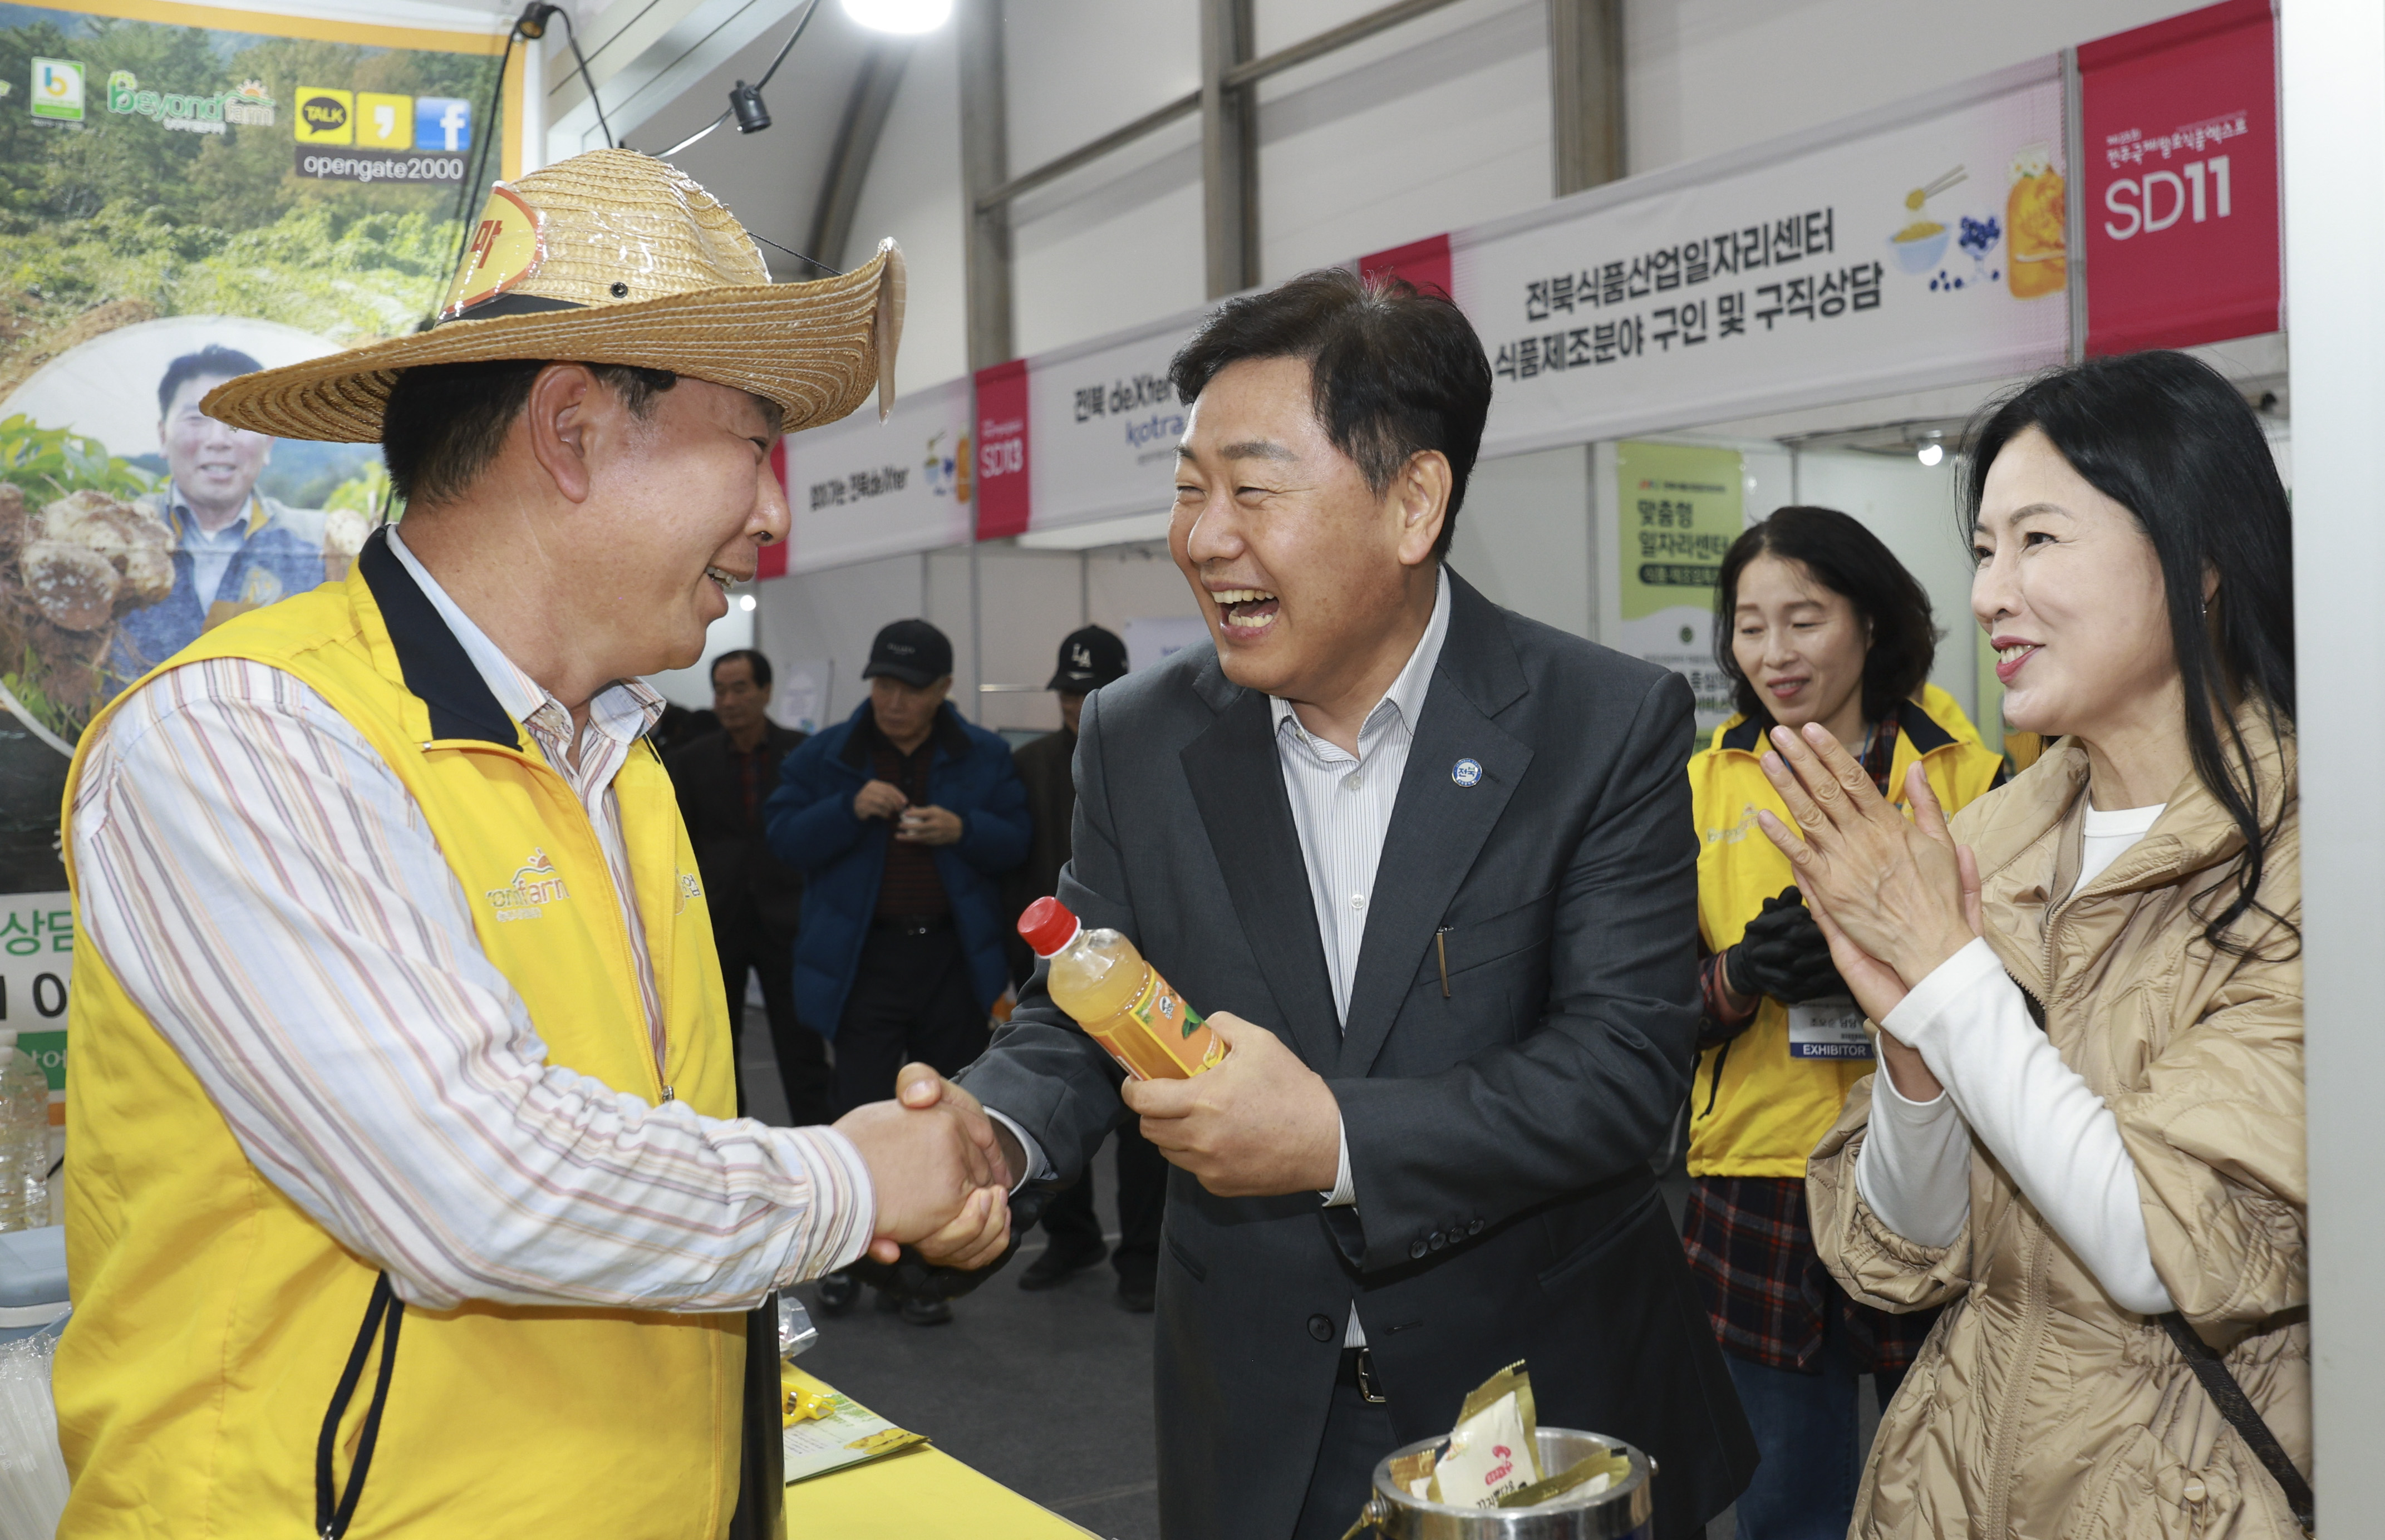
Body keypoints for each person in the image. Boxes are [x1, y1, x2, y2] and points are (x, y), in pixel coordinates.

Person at [52, 150, 1012, 1539]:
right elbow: (474, 1183)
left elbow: (632, 1141)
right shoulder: (249, 735)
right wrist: (857, 1176)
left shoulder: (615, 756)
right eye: (752, 443)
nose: (773, 513)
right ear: (572, 432)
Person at [899, 269, 1756, 1539]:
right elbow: (1087, 1004)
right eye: (1187, 489)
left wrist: (1334, 1138)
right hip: (1257, 1420)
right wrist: (992, 1136)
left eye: (1252, 491)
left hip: (1536, 1400)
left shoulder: (1598, 723)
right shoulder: (1140, 737)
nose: (1203, 539)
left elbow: (1620, 1069)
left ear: (1413, 502)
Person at [1762, 352, 2304, 1535]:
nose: (1989, 595)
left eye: (2039, 541)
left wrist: (1948, 976)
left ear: (2199, 557)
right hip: (1953, 1484)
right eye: (1984, 550)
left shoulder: (2312, 860)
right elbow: (1906, 1248)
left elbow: (2165, 1247)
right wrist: (1912, 1057)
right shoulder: (1989, 840)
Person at [1684, 506, 2004, 1540]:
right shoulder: (1696, 787)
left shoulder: (1968, 777)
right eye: (1749, 626)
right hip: (1761, 1183)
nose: (1773, 652)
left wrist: (1907, 964)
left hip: (1937, 1171)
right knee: (1786, 1504)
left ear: (1869, 621)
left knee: (1954, 1489)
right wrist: (1741, 973)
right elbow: (1643, 1011)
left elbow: (2029, 996)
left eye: (1805, 618)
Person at [765, 619, 1029, 1325]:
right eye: (882, 684)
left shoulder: (982, 754)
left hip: (950, 959)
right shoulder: (829, 755)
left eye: (910, 688)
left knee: (946, 1112)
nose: (893, 700)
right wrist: (847, 808)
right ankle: (844, 1261)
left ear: (943, 689)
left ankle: (921, 1276)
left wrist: (962, 830)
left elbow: (1017, 840)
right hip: (864, 962)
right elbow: (783, 836)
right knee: (857, 1110)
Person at [1003, 624, 1167, 1312]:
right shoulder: (1029, 763)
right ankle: (1071, 1238)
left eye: (1088, 692)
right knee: (1053, 1099)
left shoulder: (1152, 757)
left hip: (1141, 964)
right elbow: (1010, 864)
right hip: (1053, 967)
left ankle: (1143, 1253)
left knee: (1145, 1121)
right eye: (1067, 694)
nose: (1076, 705)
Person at [667, 648, 829, 1127]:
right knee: (717, 1045)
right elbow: (682, 841)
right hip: (719, 920)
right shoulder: (690, 760)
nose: (728, 701)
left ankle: (820, 1140)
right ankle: (730, 1143)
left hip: (789, 919)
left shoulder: (802, 753)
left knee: (802, 1047)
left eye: (740, 688)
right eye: (720, 691)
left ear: (766, 691)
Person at [114, 344, 333, 681]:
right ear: (163, 436)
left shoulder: (321, 544)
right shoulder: (113, 536)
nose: (218, 440)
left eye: (238, 420)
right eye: (196, 420)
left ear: (269, 442)